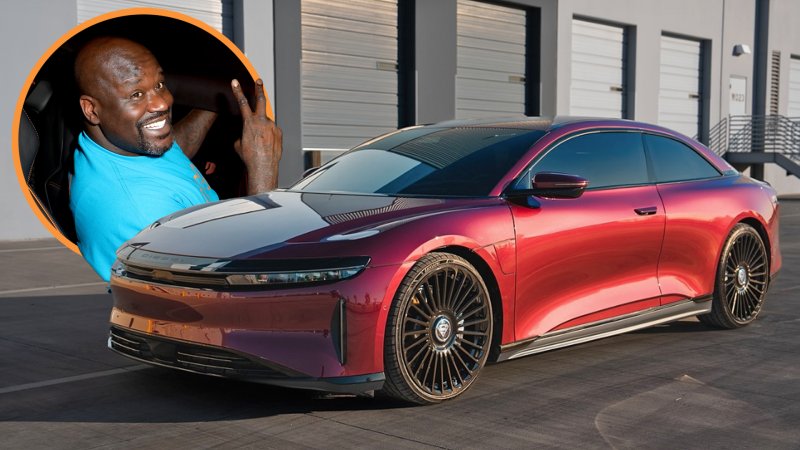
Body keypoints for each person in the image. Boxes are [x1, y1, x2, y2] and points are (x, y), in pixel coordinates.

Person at [70, 36, 282, 281]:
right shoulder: (141, 211)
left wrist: (214, 105)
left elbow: (173, 151)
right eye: (137, 94)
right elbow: (246, 279)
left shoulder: (121, 145)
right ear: (91, 110)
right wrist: (263, 169)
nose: (162, 102)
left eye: (159, 85)